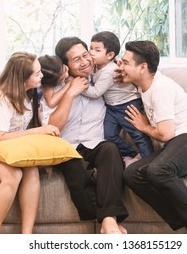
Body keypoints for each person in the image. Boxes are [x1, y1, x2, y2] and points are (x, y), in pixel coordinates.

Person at [115, 40, 187, 234]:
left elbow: (166, 134)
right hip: (179, 143)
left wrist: (145, 127)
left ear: (143, 67)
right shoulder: (144, 83)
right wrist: (123, 74)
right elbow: (119, 75)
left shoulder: (160, 88)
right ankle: (183, 223)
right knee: (132, 174)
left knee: (158, 170)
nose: (121, 66)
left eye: (126, 62)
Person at [0, 52, 60, 234]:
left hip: (10, 148)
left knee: (32, 170)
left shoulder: (31, 94)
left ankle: (27, 236)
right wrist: (38, 131)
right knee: (13, 176)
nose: (41, 76)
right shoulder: (0, 99)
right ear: (23, 78)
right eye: (37, 73)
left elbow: (35, 125)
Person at [43, 36, 129, 234]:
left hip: (96, 143)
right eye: (76, 60)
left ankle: (109, 220)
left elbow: (121, 58)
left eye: (86, 55)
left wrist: (118, 63)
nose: (84, 62)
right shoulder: (55, 89)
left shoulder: (103, 79)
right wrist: (70, 93)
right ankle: (107, 220)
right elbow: (52, 128)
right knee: (77, 171)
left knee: (111, 150)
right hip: (67, 146)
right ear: (65, 66)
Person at [82, 31, 154, 165]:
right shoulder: (96, 66)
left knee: (138, 135)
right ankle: (130, 153)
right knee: (107, 134)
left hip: (128, 104)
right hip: (111, 107)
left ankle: (148, 161)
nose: (91, 53)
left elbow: (95, 92)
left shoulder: (110, 71)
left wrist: (80, 87)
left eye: (97, 50)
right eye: (90, 48)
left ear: (110, 55)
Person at [37, 54, 72, 124]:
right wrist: (69, 85)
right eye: (61, 78)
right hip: (47, 119)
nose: (66, 75)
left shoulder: (61, 67)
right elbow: (51, 102)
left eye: (64, 69)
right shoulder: (47, 86)